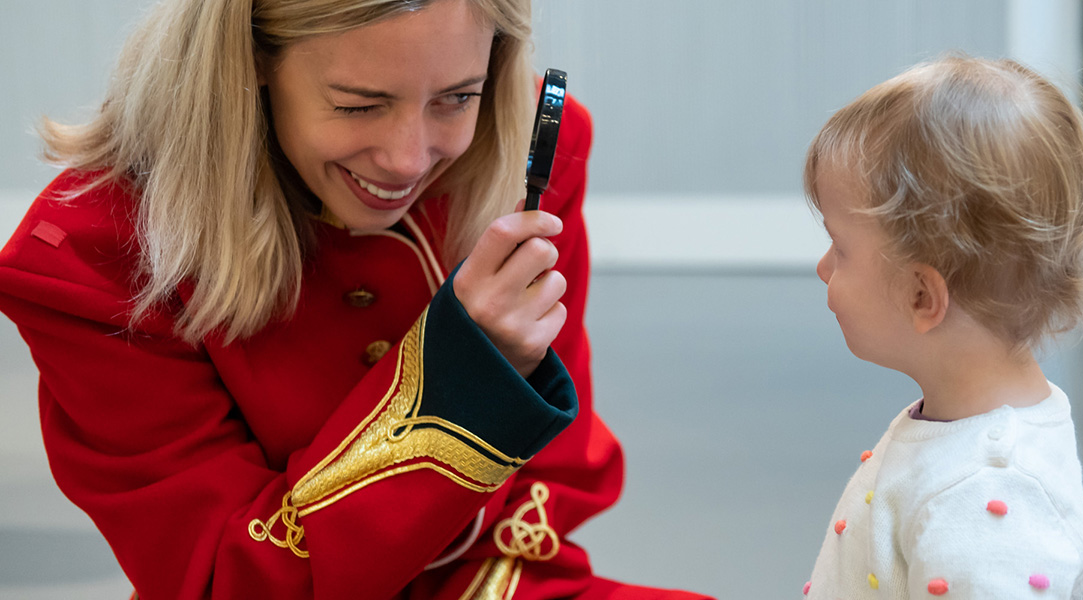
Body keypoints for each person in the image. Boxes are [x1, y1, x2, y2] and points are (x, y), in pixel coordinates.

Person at [0, 1, 714, 599]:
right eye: (359, 104)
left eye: (457, 98)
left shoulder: (529, 146)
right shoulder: (91, 255)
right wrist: (467, 380)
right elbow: (227, 577)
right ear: (249, 59)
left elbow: (549, 488)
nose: (409, 159)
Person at [799, 56, 1083, 598]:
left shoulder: (986, 502)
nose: (823, 268)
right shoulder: (961, 431)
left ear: (922, 296)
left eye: (841, 249)